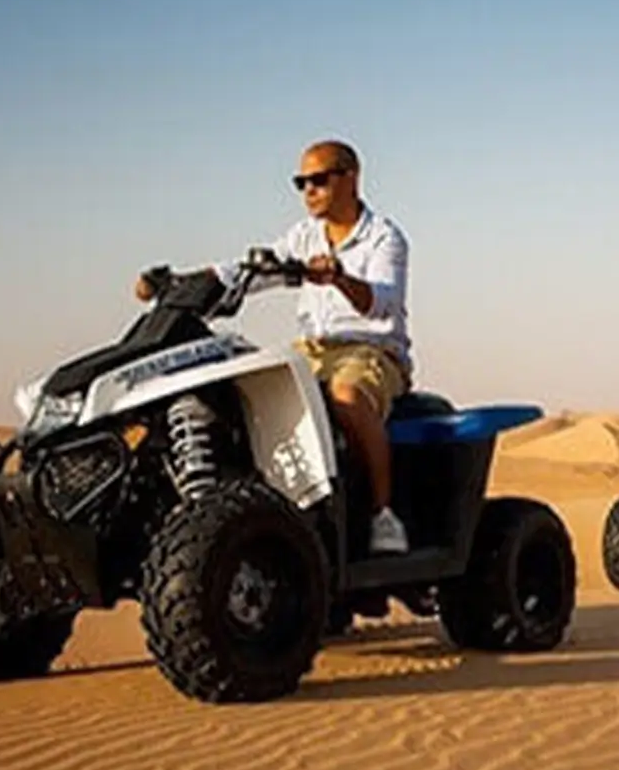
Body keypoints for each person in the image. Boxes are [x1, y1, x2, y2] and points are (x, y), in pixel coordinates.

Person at [138, 139, 414, 554]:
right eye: (300, 182)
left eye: (318, 180)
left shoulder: (383, 238)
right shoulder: (303, 237)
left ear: (350, 178)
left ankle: (383, 514)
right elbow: (252, 271)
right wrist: (181, 282)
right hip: (311, 349)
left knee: (345, 396)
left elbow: (381, 302)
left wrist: (338, 277)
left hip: (369, 350)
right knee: (246, 390)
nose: (309, 191)